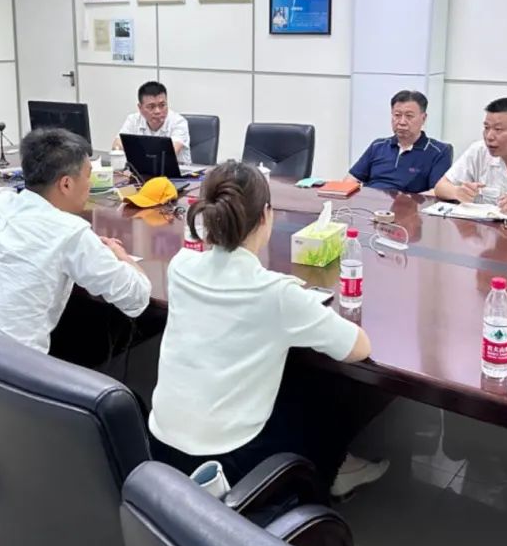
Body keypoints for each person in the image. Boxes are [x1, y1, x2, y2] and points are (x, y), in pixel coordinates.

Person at [148, 160, 390, 498]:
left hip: (160, 447)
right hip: (226, 462)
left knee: (289, 370)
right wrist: (299, 305)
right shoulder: (276, 294)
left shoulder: (181, 265)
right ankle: (331, 473)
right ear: (266, 216)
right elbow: (358, 347)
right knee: (333, 384)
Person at [0, 128, 152, 404]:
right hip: (4, 397)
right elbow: (137, 299)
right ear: (66, 184)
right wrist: (122, 256)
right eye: (88, 175)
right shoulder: (70, 232)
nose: (90, 184)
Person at [346, 90, 451, 193]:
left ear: (423, 118)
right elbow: (351, 180)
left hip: (408, 203)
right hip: (371, 200)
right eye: (397, 115)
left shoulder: (439, 151)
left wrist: (408, 201)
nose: (402, 122)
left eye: (409, 116)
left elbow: (436, 192)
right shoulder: (378, 146)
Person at [113, 80, 192, 165]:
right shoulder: (133, 120)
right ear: (140, 108)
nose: (158, 111)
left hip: (176, 171)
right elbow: (117, 146)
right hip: (141, 169)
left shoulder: (179, 122)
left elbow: (169, 154)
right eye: (151, 107)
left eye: (162, 105)